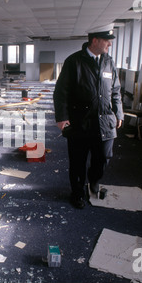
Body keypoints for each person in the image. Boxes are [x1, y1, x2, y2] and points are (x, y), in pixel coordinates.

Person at [53, 24, 124, 209]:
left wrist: (119, 112)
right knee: (78, 162)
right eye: (107, 40)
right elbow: (61, 92)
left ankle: (93, 185)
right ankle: (76, 193)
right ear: (95, 40)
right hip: (80, 122)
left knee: (103, 159)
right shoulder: (74, 61)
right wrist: (61, 117)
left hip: (105, 122)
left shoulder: (109, 61)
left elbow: (115, 90)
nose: (109, 44)